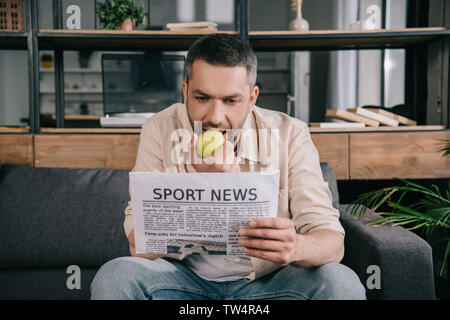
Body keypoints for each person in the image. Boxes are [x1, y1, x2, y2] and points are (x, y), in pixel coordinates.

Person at [90, 34, 366, 300]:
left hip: (268, 283)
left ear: (252, 98)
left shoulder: (290, 133)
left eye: (231, 100)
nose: (215, 117)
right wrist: (205, 187)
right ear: (185, 91)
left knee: (340, 282)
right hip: (183, 282)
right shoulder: (159, 129)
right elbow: (139, 246)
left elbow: (332, 244)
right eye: (201, 98)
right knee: (115, 277)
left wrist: (295, 246)